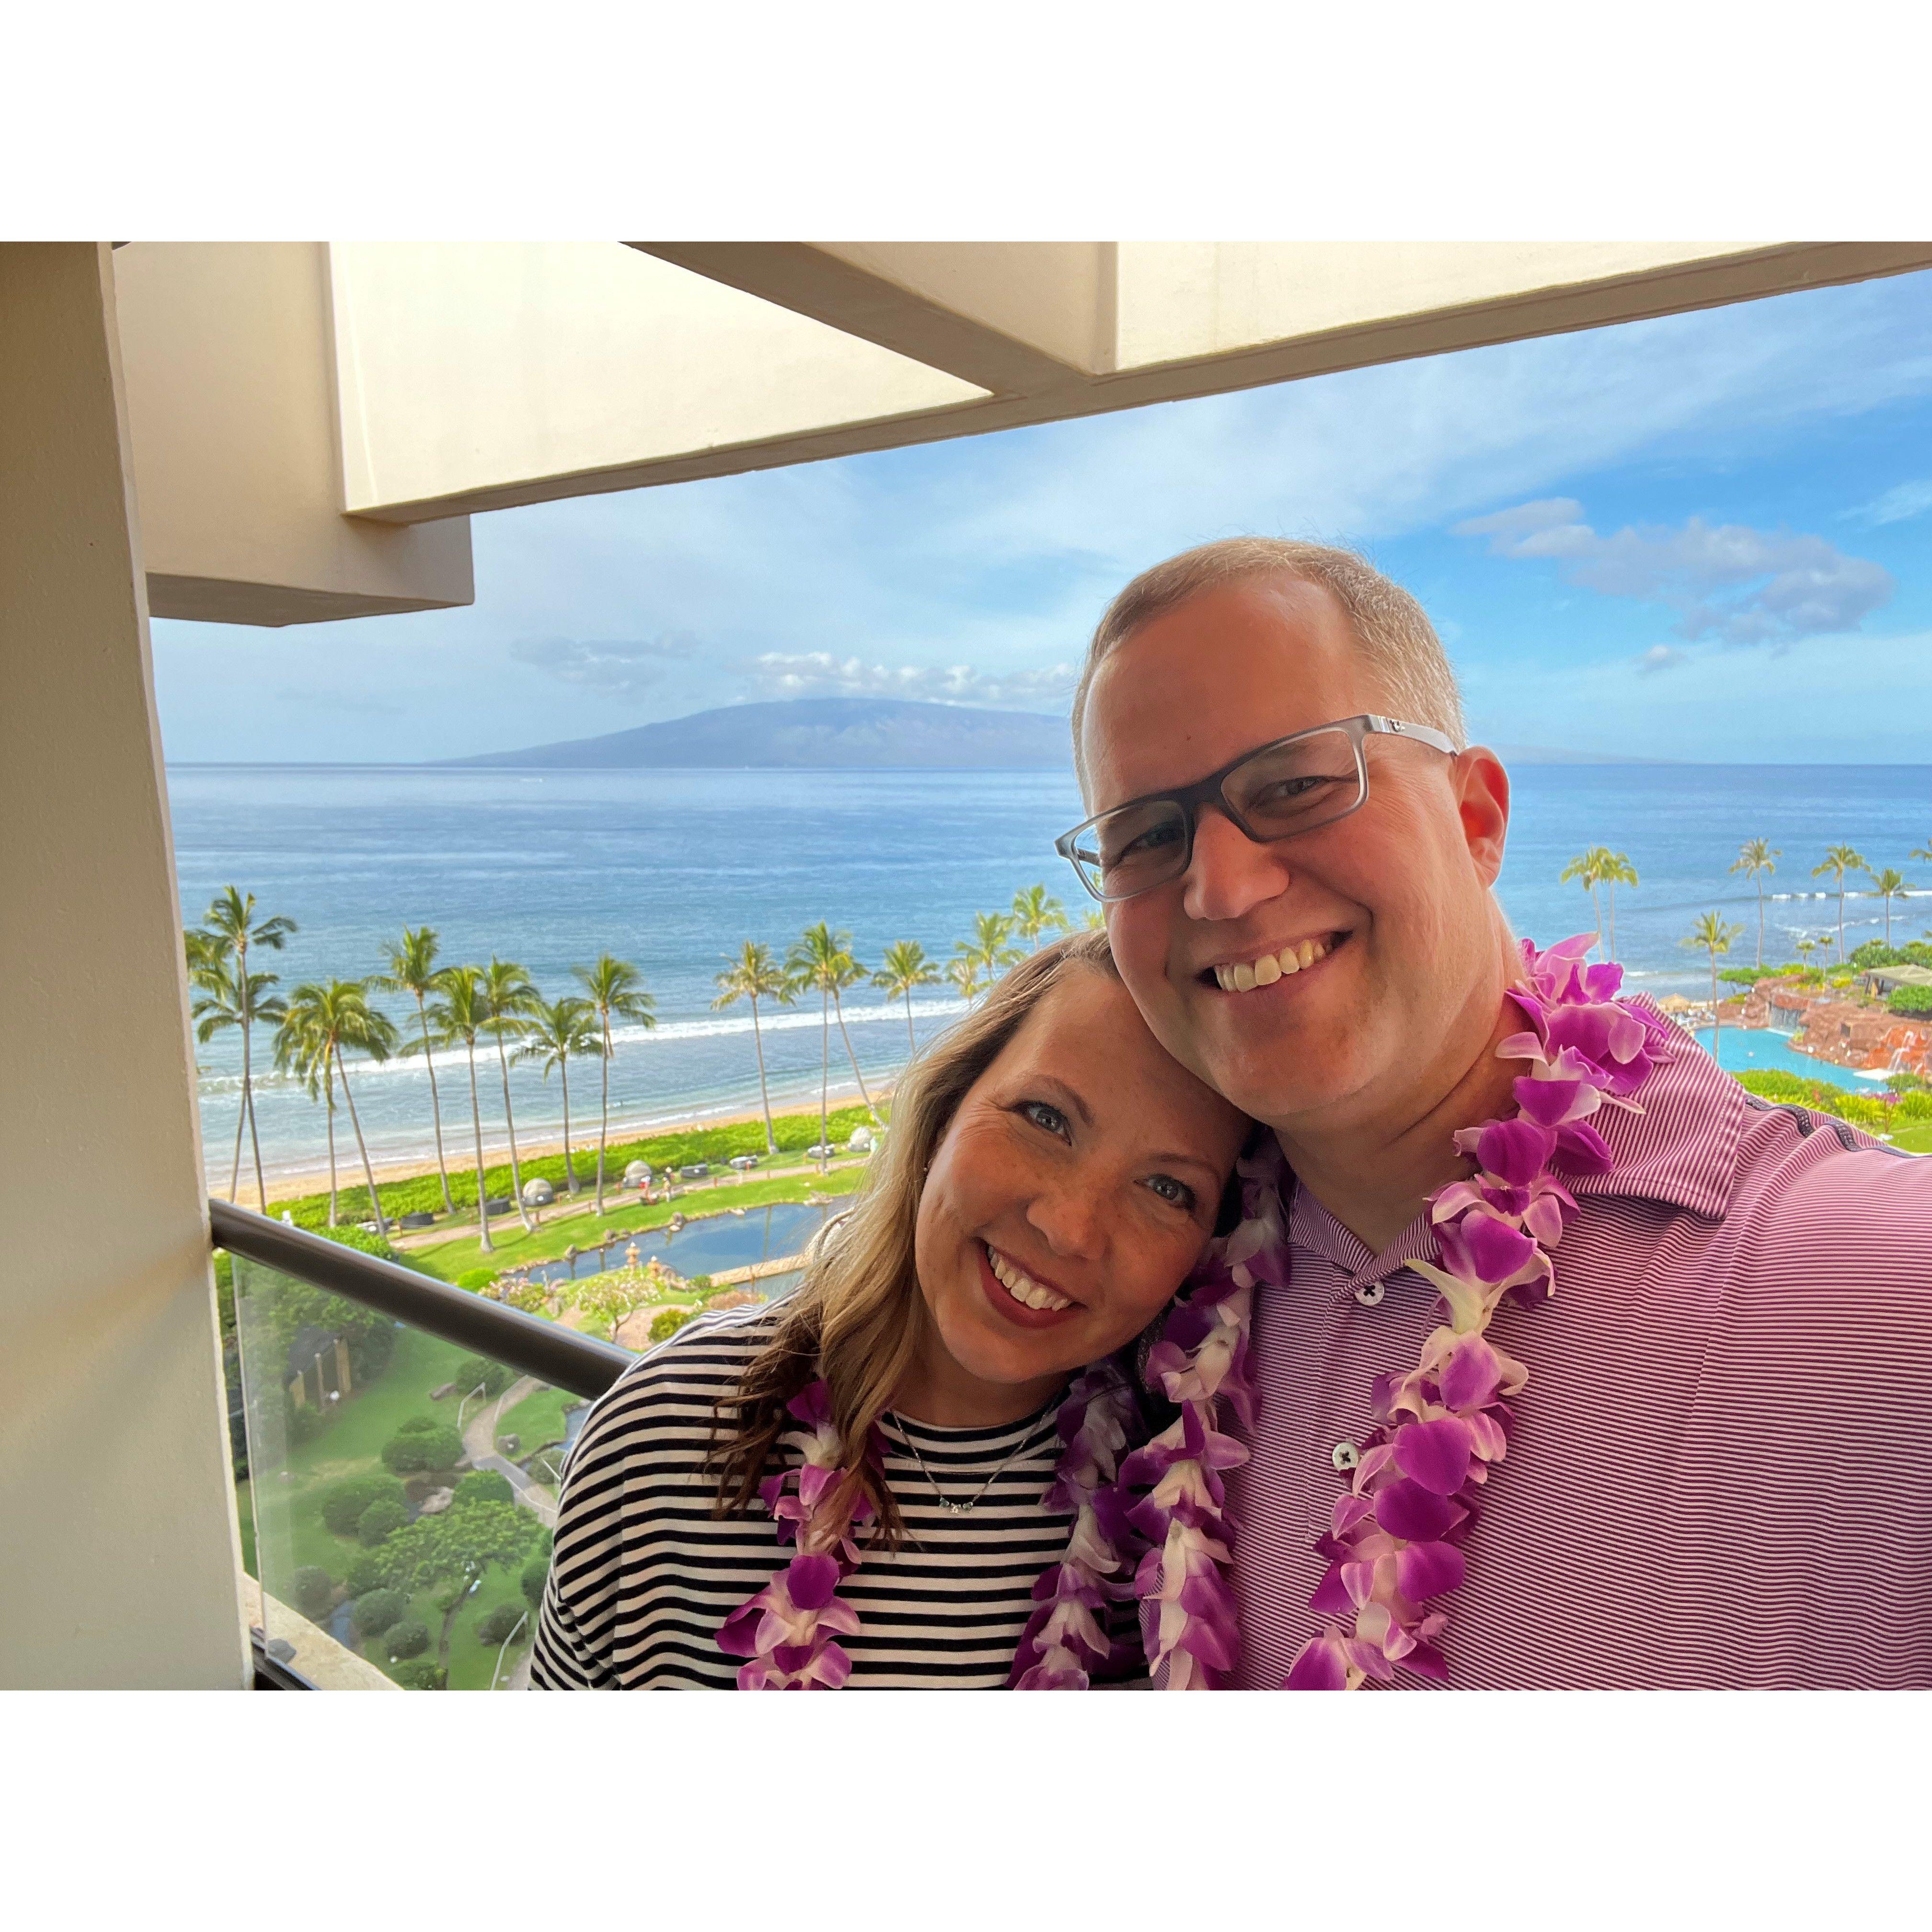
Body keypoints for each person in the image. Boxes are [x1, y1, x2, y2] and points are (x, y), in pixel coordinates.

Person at [1060, 536, 1932, 1690]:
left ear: (1476, 817)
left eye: (1295, 785)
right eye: (1145, 838)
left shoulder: (1881, 1289)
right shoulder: (1138, 1321)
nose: (1220, 887)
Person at [530, 930, 1247, 1690]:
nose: (1069, 1227)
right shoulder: (664, 1436)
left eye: (1168, 1190)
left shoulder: (1186, 1521)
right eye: (1046, 1118)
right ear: (944, 1113)